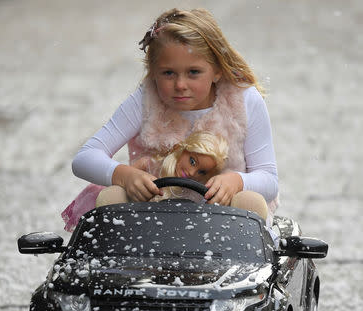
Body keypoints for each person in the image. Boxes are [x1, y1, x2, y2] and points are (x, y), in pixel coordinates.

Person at [62, 7, 278, 232]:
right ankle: (118, 262)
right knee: (112, 196)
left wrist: (236, 182)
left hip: (222, 226)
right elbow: (84, 158)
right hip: (154, 220)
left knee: (250, 201)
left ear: (217, 70)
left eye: (193, 72)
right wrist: (124, 176)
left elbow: (269, 180)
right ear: (153, 71)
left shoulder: (243, 99)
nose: (180, 85)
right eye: (168, 73)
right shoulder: (146, 100)